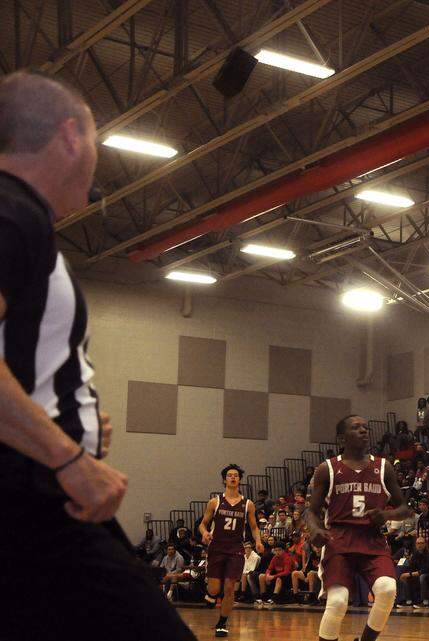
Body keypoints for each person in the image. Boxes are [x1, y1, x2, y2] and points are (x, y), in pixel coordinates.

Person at [0, 72, 196, 641]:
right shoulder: (14, 212)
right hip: (34, 506)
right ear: (70, 138)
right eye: (95, 140)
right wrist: (67, 455)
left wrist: (72, 418)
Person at [306, 415, 412, 641]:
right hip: (339, 541)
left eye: (365, 427)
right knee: (337, 601)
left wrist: (386, 515)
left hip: (372, 540)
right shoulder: (327, 469)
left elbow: (405, 508)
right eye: (356, 428)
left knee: (387, 590)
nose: (364, 430)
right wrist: (314, 529)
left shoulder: (383, 467)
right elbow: (312, 511)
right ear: (342, 438)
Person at [199, 463, 264, 636]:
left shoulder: (248, 504)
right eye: (230, 475)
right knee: (214, 588)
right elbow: (202, 524)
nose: (233, 477)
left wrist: (258, 541)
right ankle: (211, 593)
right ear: (224, 479)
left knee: (229, 589)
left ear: (240, 480)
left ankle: (222, 623)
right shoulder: (215, 502)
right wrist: (205, 533)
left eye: (236, 475)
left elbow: (254, 527)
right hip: (216, 548)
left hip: (235, 549)